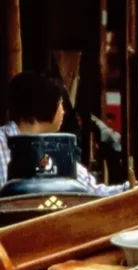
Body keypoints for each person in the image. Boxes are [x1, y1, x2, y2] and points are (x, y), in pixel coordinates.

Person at [0, 72, 128, 195]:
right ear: (46, 104)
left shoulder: (54, 147)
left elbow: (93, 193)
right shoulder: (1, 143)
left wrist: (132, 188)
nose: (64, 112)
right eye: (61, 104)